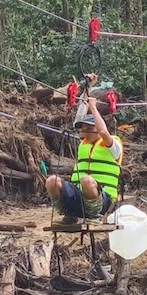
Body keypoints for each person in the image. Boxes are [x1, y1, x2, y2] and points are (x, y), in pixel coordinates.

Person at [45, 76, 123, 223]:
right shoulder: (84, 142)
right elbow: (78, 120)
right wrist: (88, 88)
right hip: (79, 198)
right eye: (84, 128)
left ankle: (93, 216)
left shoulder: (114, 144)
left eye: (89, 127)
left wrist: (93, 107)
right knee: (51, 181)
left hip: (102, 200)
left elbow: (103, 132)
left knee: (87, 181)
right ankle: (69, 213)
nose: (85, 130)